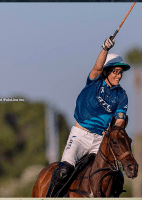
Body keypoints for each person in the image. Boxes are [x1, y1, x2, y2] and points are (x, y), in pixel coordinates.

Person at [46, 36, 131, 197]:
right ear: (106, 71)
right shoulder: (94, 82)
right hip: (80, 136)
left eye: (121, 73)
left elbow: (119, 120)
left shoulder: (121, 95)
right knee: (63, 171)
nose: (119, 76)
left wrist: (116, 132)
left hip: (100, 140)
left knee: (117, 176)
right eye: (116, 72)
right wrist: (105, 48)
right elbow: (97, 67)